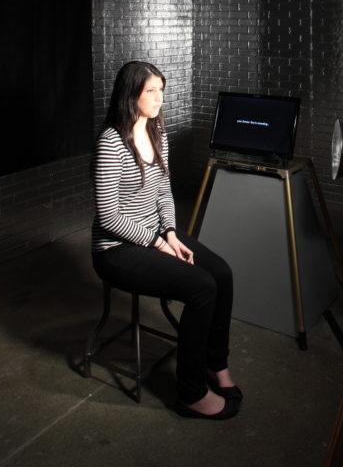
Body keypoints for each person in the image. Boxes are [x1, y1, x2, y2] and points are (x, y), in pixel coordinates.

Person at [91, 60, 242, 420]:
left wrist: (171, 233)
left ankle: (214, 364)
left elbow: (163, 193)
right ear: (131, 95)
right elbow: (109, 216)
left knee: (221, 273)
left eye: (162, 90)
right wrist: (158, 244)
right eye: (151, 91)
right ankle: (190, 394)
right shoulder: (111, 143)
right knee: (201, 288)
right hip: (116, 250)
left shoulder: (158, 133)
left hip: (154, 236)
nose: (160, 98)